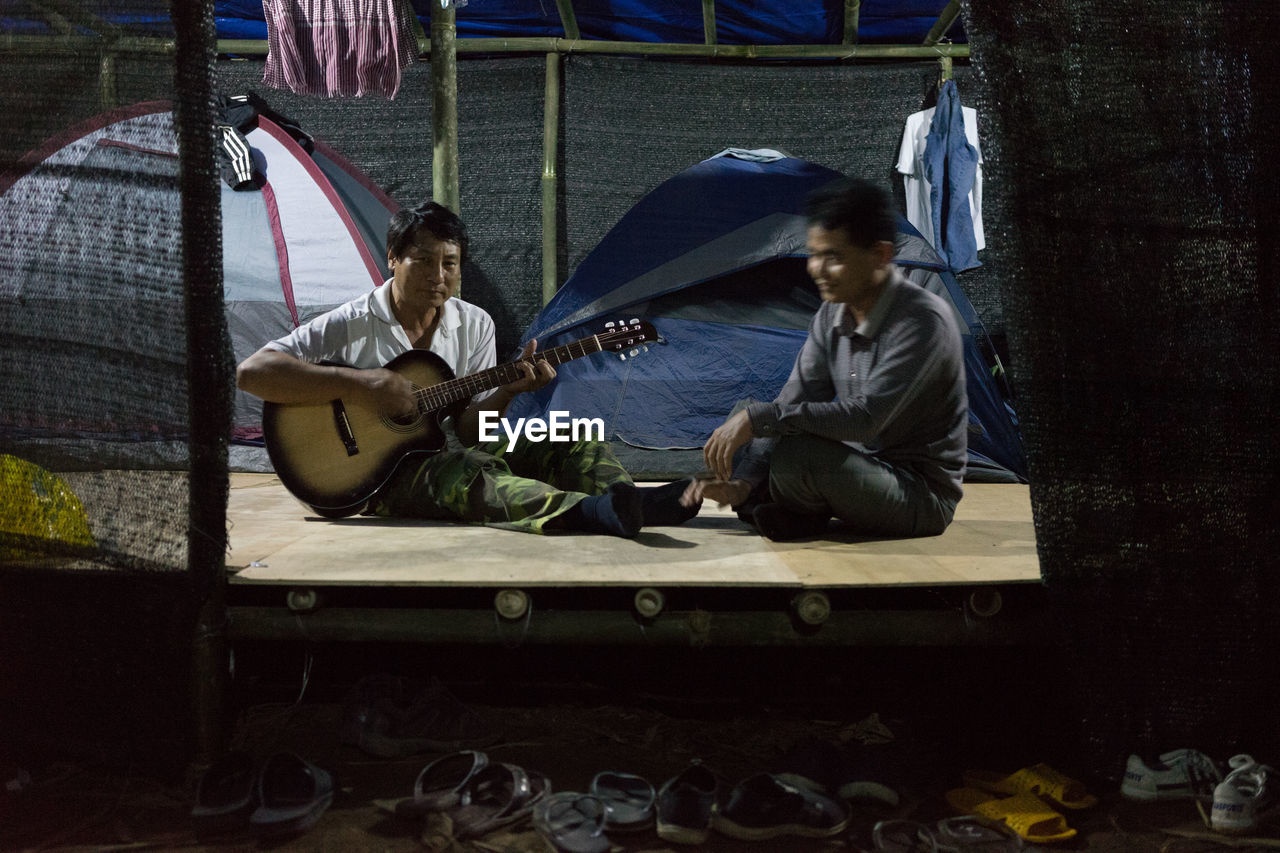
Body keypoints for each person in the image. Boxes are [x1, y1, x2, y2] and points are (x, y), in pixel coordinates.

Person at [237, 201, 698, 537]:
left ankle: (627, 500)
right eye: (424, 261)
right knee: (470, 473)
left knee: (566, 433)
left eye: (450, 264)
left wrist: (509, 392)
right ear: (393, 259)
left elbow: (471, 427)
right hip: (369, 477)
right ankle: (593, 513)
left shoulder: (474, 323)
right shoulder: (352, 321)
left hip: (444, 447)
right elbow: (253, 372)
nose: (439, 275)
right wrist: (362, 383)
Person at [681, 177, 967, 541]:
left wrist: (760, 419)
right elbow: (794, 400)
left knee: (789, 448)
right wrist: (744, 482)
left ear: (880, 256)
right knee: (750, 418)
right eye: (814, 254)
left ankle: (793, 508)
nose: (815, 268)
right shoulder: (833, 313)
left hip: (918, 495)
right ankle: (779, 505)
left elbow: (866, 420)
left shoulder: (922, 320)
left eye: (833, 257)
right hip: (859, 467)